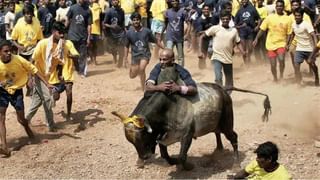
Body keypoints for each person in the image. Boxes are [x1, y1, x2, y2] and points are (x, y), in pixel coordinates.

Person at [0, 40, 52, 157]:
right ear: (0, 53)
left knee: (21, 119)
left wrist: (47, 83)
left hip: (16, 91)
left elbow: (34, 70)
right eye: (5, 51)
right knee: (1, 117)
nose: (9, 53)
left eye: (10, 51)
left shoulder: (18, 59)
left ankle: (28, 129)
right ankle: (4, 146)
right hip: (2, 92)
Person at [26, 22, 79, 131]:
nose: (62, 36)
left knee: (37, 101)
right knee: (48, 99)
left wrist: (59, 75)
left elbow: (59, 63)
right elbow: (31, 60)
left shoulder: (62, 46)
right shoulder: (43, 43)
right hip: (39, 74)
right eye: (60, 33)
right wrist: (30, 78)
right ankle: (51, 125)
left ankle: (25, 120)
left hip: (49, 76)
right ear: (54, 32)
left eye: (63, 33)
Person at [199, 10, 245, 89]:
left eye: (227, 19)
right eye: (223, 19)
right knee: (218, 78)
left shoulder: (233, 31)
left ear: (230, 19)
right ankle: (220, 95)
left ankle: (227, 95)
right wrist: (200, 51)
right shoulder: (215, 28)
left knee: (229, 83)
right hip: (216, 57)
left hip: (228, 59)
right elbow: (202, 37)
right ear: (221, 19)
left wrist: (243, 52)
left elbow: (238, 42)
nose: (225, 20)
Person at [253, 0, 292, 82]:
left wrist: (288, 44)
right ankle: (275, 78)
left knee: (281, 59)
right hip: (270, 44)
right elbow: (262, 29)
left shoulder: (288, 19)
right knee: (273, 65)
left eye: (281, 6)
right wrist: (256, 38)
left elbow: (289, 33)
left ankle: (281, 74)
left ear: (283, 7)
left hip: (282, 43)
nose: (279, 7)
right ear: (275, 7)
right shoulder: (270, 17)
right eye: (278, 6)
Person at [125, 12, 164, 90]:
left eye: (137, 20)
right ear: (132, 21)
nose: (136, 22)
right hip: (135, 55)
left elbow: (156, 41)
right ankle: (132, 71)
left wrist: (165, 48)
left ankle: (143, 87)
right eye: (134, 20)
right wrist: (125, 58)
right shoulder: (129, 33)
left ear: (140, 20)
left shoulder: (147, 31)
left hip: (145, 54)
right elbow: (126, 46)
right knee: (132, 75)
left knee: (142, 69)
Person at [286, 8, 318, 86]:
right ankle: (299, 82)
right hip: (299, 49)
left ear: (302, 16)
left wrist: (316, 47)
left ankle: (317, 76)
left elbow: (313, 35)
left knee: (311, 64)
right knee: (296, 65)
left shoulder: (306, 24)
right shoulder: (293, 24)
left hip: (309, 49)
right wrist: (288, 44)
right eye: (296, 15)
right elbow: (292, 34)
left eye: (298, 16)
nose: (297, 17)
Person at [66, 0, 93, 78]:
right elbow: (67, 19)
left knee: (82, 55)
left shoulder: (88, 10)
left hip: (83, 37)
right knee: (73, 55)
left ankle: (81, 72)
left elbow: (89, 25)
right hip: (72, 36)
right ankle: (76, 69)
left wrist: (88, 37)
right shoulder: (72, 8)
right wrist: (64, 30)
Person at [234, 0, 260, 65]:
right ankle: (246, 63)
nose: (244, 1)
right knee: (244, 49)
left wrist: (258, 26)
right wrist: (239, 27)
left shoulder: (252, 9)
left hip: (251, 30)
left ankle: (248, 58)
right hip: (242, 32)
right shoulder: (239, 10)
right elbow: (235, 23)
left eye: (245, 0)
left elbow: (259, 18)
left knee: (250, 48)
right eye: (242, 0)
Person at [161, 0, 186, 66]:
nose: (174, 2)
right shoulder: (168, 12)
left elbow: (187, 23)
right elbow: (165, 23)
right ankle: (168, 69)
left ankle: (181, 71)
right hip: (170, 36)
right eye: (173, 1)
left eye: (176, 1)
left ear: (178, 2)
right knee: (168, 54)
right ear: (171, 3)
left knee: (180, 56)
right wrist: (161, 33)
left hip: (179, 37)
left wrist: (186, 34)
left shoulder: (182, 12)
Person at [104, 0, 126, 68]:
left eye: (116, 0)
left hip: (120, 33)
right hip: (112, 33)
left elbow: (122, 22)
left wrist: (124, 29)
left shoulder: (121, 11)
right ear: (111, 2)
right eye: (114, 0)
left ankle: (120, 63)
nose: (115, 1)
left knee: (121, 48)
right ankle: (114, 58)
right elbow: (104, 23)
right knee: (113, 49)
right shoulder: (109, 11)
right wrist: (112, 26)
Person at [89, 0, 102, 65]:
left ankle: (94, 59)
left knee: (94, 46)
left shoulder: (98, 7)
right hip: (89, 29)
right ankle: (92, 59)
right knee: (90, 45)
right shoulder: (87, 7)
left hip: (96, 29)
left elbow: (96, 18)